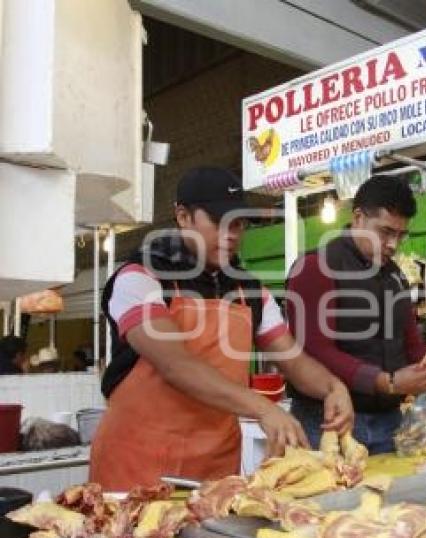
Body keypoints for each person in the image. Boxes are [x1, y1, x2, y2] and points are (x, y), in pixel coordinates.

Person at [90, 166, 354, 491]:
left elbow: (294, 362)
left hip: (216, 470)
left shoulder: (251, 292)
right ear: (184, 217)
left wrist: (333, 387)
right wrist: (262, 407)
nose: (231, 234)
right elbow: (176, 365)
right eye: (219, 222)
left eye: (239, 223)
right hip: (137, 469)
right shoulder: (140, 277)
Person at [285, 175, 426, 453]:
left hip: (389, 421)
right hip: (329, 420)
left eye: (400, 235)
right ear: (358, 218)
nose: (393, 245)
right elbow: (315, 349)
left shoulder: (395, 275)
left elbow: (411, 341)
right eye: (385, 232)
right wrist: (386, 382)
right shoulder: (315, 267)